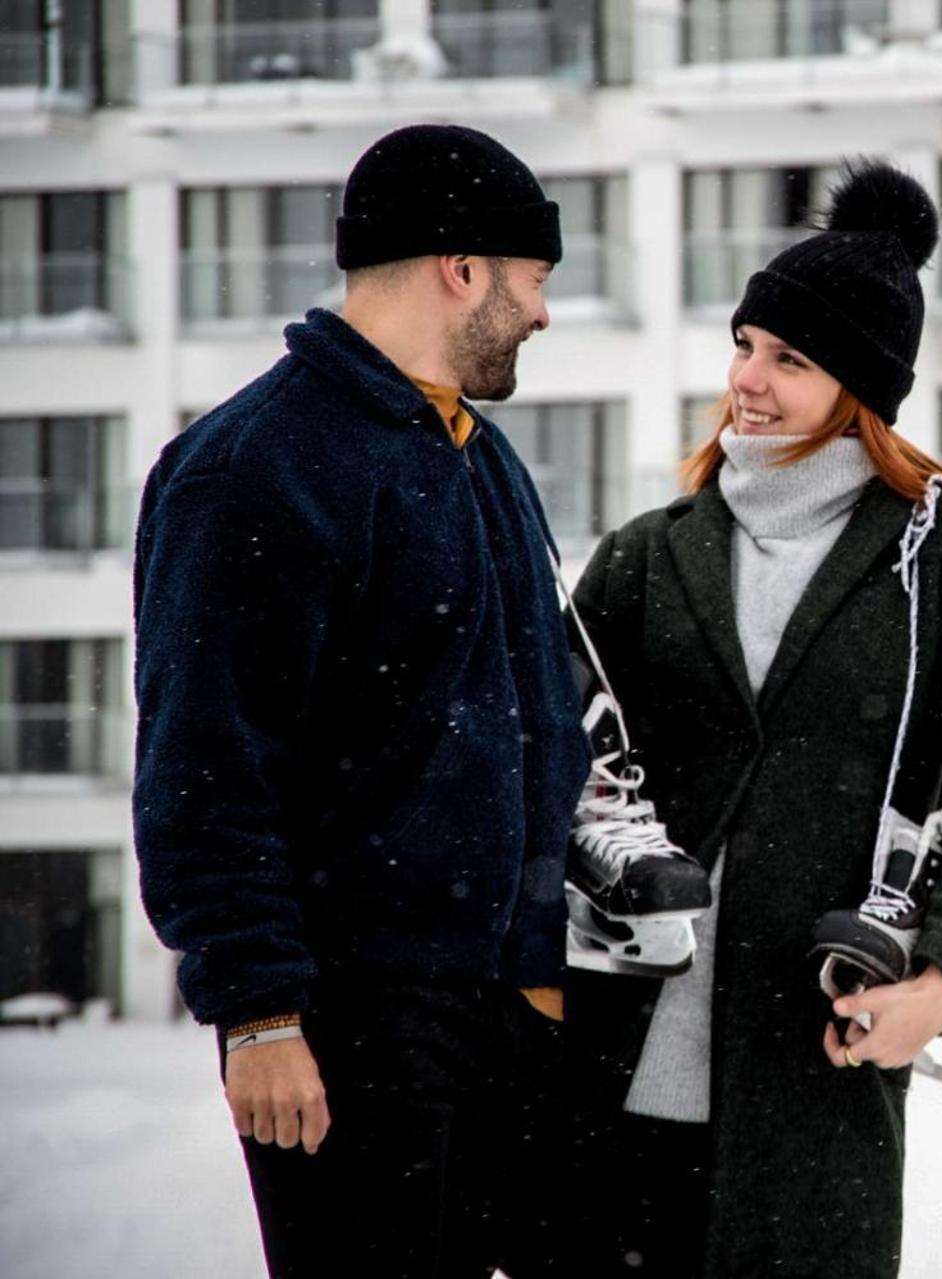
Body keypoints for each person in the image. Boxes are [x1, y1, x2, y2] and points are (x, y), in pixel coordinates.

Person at [565, 160, 942, 1277]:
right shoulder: (651, 552)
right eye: (745, 345)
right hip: (611, 1076)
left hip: (820, 1072)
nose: (750, 378)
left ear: (861, 387)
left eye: (790, 359)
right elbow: (561, 765)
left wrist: (938, 985)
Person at [131, 123, 591, 1278]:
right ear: (463, 267)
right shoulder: (253, 465)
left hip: (501, 1016)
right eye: (534, 281)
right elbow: (206, 768)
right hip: (349, 1021)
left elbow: (542, 726)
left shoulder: (482, 458)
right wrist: (259, 1011)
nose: (543, 313)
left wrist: (537, 969)